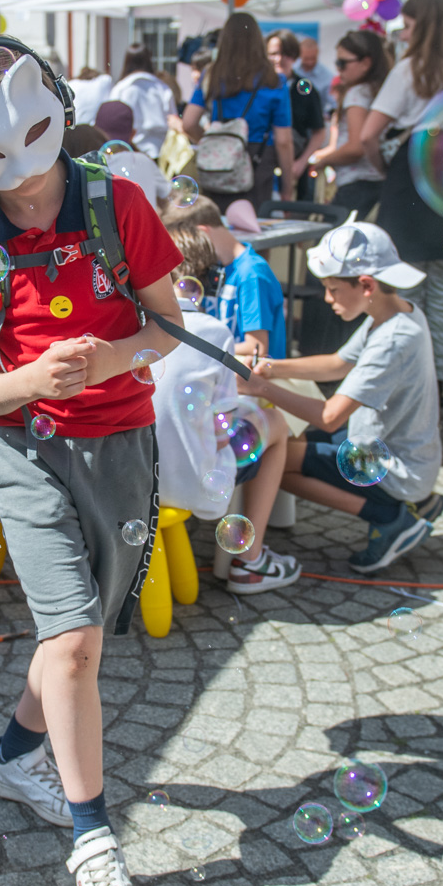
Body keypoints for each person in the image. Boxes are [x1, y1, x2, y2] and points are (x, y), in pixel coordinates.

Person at [0, 41, 188, 886]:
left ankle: (11, 755)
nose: (26, 191)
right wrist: (40, 378)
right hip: (26, 451)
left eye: (33, 152)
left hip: (122, 442)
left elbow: (170, 324)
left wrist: (113, 358)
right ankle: (94, 846)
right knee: (75, 642)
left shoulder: (119, 201)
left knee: (73, 636)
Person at [239, 223, 443, 574]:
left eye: (333, 289)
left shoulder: (393, 339)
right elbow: (337, 364)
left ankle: (392, 517)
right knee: (289, 442)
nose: (328, 299)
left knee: (275, 458)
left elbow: (330, 416)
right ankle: (411, 504)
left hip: (396, 468)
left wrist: (260, 388)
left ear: (366, 285)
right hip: (390, 450)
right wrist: (269, 368)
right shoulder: (395, 312)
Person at [157, 221, 301, 593]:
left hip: (133, 479)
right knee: (277, 424)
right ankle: (250, 561)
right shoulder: (214, 332)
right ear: (206, 275)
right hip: (195, 485)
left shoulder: (132, 324)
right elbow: (222, 428)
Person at [359, 0, 443, 393]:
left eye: (409, 24)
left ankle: (409, 387)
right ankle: (437, 391)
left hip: (409, 182)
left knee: (408, 298)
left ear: (420, 26)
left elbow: (369, 133)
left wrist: (385, 165)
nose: (402, 32)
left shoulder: (408, 71)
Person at [181, 12, 295, 211]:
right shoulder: (274, 80)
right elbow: (284, 141)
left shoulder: (212, 73)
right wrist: (287, 187)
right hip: (257, 159)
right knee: (254, 229)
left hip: (218, 162)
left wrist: (210, 143)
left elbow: (189, 123)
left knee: (218, 228)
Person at [162, 195, 285, 360]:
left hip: (249, 378)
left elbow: (256, 348)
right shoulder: (213, 267)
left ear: (202, 232)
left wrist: (197, 346)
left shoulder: (251, 274)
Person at [307, 29, 391, 216]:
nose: (338, 68)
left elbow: (356, 147)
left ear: (366, 63)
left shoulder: (357, 93)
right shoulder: (379, 91)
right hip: (377, 183)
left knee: (329, 243)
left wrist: (324, 161)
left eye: (342, 62)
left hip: (356, 184)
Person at [266, 29, 328, 202]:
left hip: (294, 171)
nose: (278, 59)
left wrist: (301, 162)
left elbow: (319, 131)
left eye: (285, 54)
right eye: (273, 53)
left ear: (294, 56)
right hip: (264, 169)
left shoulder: (305, 89)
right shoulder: (258, 88)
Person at [94, 100, 169, 209]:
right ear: (133, 134)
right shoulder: (144, 161)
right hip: (143, 225)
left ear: (95, 130)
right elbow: (169, 196)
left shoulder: (89, 166)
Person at [107, 43, 175, 159]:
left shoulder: (120, 88)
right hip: (160, 152)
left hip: (128, 152)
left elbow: (112, 120)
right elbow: (172, 120)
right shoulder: (162, 88)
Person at [296, 36, 337, 117]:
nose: (310, 62)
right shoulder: (292, 71)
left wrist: (325, 115)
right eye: (306, 59)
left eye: (313, 58)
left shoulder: (327, 76)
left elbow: (334, 103)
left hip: (315, 121)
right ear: (299, 55)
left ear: (318, 54)